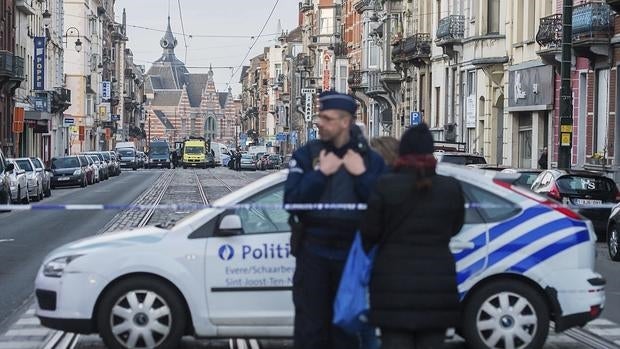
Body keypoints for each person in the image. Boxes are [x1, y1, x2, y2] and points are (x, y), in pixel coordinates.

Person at [284, 91, 386, 349]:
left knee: (345, 330)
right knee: (310, 329)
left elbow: (382, 206)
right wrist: (320, 173)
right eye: (320, 117)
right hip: (313, 251)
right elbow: (291, 200)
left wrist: (361, 175)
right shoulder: (308, 155)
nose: (319, 123)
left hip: (352, 255)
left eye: (327, 119)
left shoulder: (369, 160)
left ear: (345, 122)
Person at [361, 123, 465, 349]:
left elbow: (369, 232)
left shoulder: (385, 186)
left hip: (392, 286)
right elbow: (455, 227)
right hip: (437, 285)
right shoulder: (450, 187)